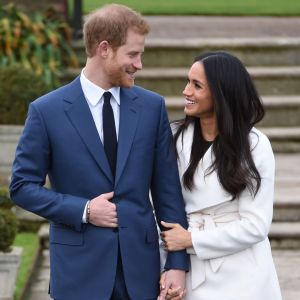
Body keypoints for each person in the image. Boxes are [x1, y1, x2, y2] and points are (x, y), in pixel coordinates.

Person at [9, 4, 189, 300]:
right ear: (104, 49)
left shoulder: (151, 107)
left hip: (141, 275)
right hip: (79, 273)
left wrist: (177, 263)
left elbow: (168, 191)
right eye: (133, 54)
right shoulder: (47, 111)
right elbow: (21, 187)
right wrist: (85, 211)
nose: (139, 64)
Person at [160, 51, 282, 300]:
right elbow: (162, 203)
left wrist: (192, 239)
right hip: (192, 270)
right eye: (187, 81)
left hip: (243, 275)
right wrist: (170, 262)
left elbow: (256, 225)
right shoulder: (174, 137)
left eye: (197, 85)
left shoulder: (255, 145)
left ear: (221, 93)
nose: (186, 91)